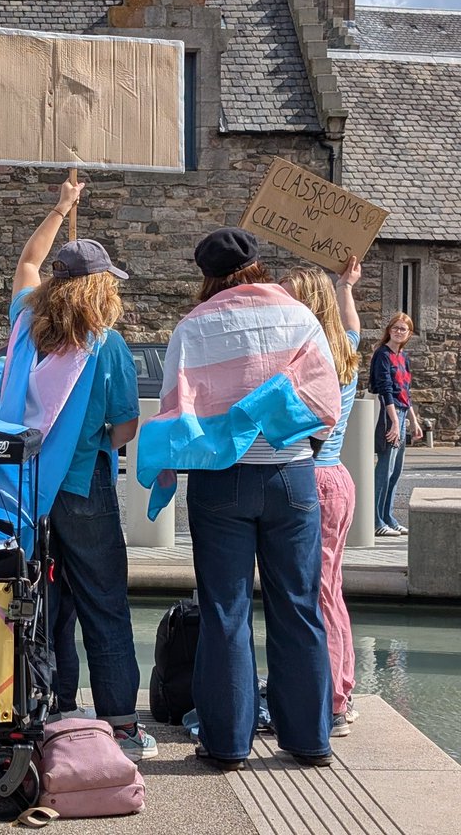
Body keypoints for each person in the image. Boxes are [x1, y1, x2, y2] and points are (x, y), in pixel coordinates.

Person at [137, 227, 341, 770]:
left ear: (207, 275)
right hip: (291, 476)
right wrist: (278, 428)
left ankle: (227, 744)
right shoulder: (300, 317)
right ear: (256, 266)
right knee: (298, 608)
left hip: (219, 481)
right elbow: (326, 401)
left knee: (224, 612)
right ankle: (309, 740)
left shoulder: (194, 325)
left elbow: (174, 410)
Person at [0, 181, 155, 761]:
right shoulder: (104, 344)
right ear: (98, 287)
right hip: (82, 482)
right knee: (104, 601)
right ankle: (119, 722)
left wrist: (61, 206)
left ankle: (48, 705)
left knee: (36, 598)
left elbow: (28, 261)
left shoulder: (23, 323)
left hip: (23, 484)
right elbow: (123, 427)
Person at [281, 257, 363, 738]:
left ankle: (331, 699)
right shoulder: (344, 348)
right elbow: (351, 323)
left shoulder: (309, 359)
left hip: (313, 479)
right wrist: (346, 286)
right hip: (338, 478)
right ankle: (341, 689)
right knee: (330, 591)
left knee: (317, 595)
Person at [370, 312, 422, 536]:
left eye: (404, 329)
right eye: (396, 327)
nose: (399, 332)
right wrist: (393, 422)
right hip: (387, 412)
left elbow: (405, 392)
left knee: (395, 470)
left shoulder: (403, 356)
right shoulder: (382, 355)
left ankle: (389, 517)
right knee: (385, 468)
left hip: (401, 412)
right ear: (389, 329)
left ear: (409, 334)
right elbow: (385, 389)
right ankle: (376, 520)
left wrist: (414, 420)